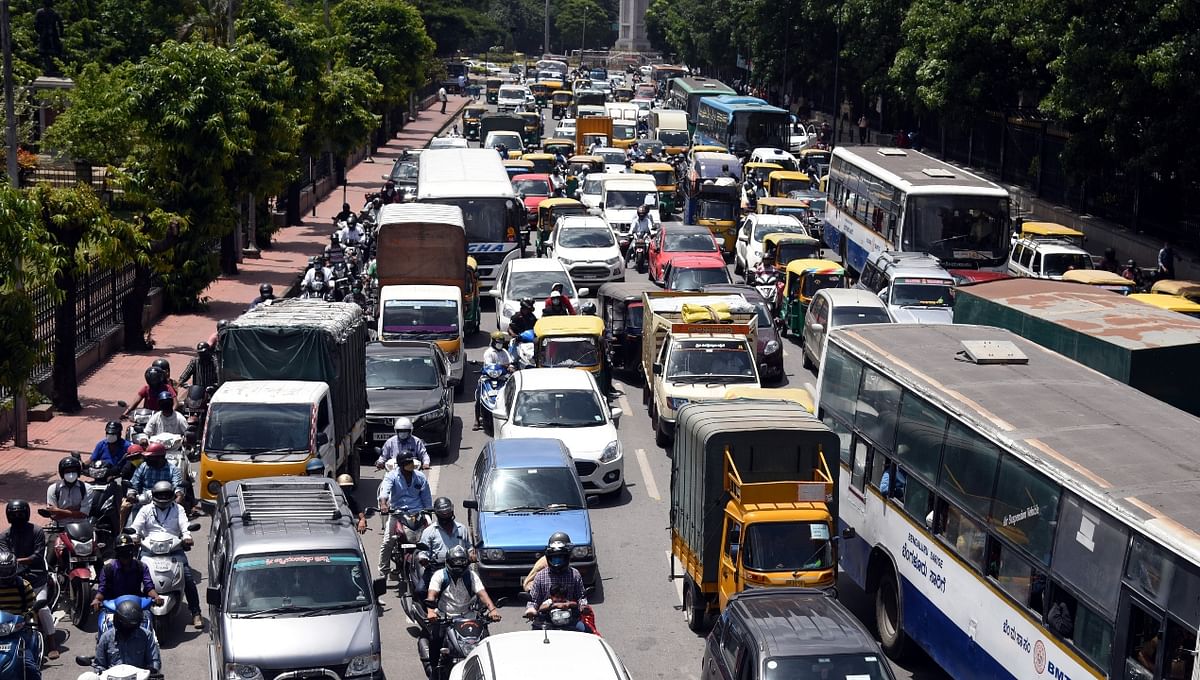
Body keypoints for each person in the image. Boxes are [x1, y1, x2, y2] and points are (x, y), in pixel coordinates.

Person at [130, 481, 202, 629]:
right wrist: (134, 537)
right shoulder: (145, 509)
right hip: (149, 549)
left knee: (187, 577)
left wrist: (187, 537)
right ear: (154, 495)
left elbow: (185, 525)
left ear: (171, 495)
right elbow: (135, 527)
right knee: (135, 576)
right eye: (159, 495)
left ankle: (196, 613)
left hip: (173, 549)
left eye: (166, 495)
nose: (163, 498)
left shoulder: (178, 509)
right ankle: (132, 611)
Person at [424, 546, 501, 676]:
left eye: (462, 563)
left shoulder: (471, 575)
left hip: (468, 616)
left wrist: (492, 610)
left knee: (486, 640)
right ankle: (434, 671)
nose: (458, 567)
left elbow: (482, 593)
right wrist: (431, 611)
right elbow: (432, 594)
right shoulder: (439, 575)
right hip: (445, 617)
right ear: (448, 563)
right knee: (435, 639)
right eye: (455, 563)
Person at [0, 501, 60, 659]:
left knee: (42, 609)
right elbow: (4, 558)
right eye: (13, 514)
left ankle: (52, 642)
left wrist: (14, 562)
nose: (17, 517)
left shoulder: (37, 531)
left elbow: (37, 555)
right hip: (12, 578)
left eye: (20, 514)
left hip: (37, 577)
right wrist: (10, 567)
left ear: (26, 514)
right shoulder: (4, 536)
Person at [377, 454, 433, 580]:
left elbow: (426, 498)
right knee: (388, 541)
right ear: (401, 465)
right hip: (397, 513)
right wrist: (383, 504)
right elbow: (385, 491)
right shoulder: (391, 476)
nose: (411, 465)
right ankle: (383, 572)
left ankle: (434, 566)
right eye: (407, 463)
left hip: (417, 513)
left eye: (411, 462)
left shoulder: (420, 477)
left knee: (430, 538)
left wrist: (429, 512)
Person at [82, 599, 162, 679]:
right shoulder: (106, 638)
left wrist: (151, 671)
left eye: (131, 627)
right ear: (117, 622)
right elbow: (99, 664)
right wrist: (100, 673)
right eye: (125, 626)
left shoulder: (146, 636)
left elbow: (154, 661)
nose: (128, 630)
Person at [523, 537, 588, 632]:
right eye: (554, 558)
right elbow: (534, 600)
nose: (557, 561)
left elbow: (581, 596)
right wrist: (531, 610)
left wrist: (583, 606)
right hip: (545, 619)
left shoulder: (575, 574)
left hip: (570, 618)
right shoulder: (540, 576)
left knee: (587, 633)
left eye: (560, 558)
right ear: (548, 559)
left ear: (567, 558)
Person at [91, 534, 161, 613]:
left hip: (136, 606)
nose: (125, 554)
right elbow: (102, 589)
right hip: (113, 607)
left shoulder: (141, 567)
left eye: (128, 550)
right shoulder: (108, 569)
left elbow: (149, 587)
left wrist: (156, 597)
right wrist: (97, 599)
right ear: (117, 553)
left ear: (132, 551)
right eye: (122, 551)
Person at [415, 497, 470, 596]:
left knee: (477, 590)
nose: (446, 516)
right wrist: (423, 559)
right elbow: (423, 552)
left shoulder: (462, 529)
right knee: (421, 591)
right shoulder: (429, 531)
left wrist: (471, 554)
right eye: (442, 514)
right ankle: (427, 610)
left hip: (460, 568)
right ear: (437, 514)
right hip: (437, 568)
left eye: (448, 513)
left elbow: (468, 547)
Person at [0, 550, 43, 676]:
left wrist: (28, 616)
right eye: (2, 571)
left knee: (30, 667)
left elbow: (31, 607)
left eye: (7, 571)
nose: (5, 574)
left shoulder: (23, 585)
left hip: (17, 630)